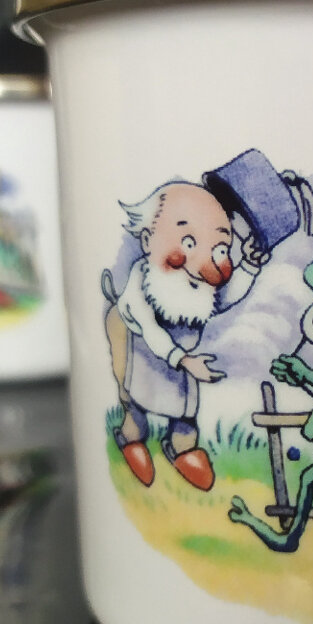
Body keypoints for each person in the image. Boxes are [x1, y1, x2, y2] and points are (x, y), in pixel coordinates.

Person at [103, 180, 267, 490]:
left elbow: (226, 297)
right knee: (137, 405)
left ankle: (182, 450)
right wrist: (183, 360)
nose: (203, 260)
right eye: (189, 243)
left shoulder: (201, 288)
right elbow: (149, 328)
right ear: (148, 241)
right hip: (147, 356)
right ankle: (130, 439)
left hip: (183, 365)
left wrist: (248, 267)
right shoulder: (141, 281)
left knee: (185, 415)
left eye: (219, 248)